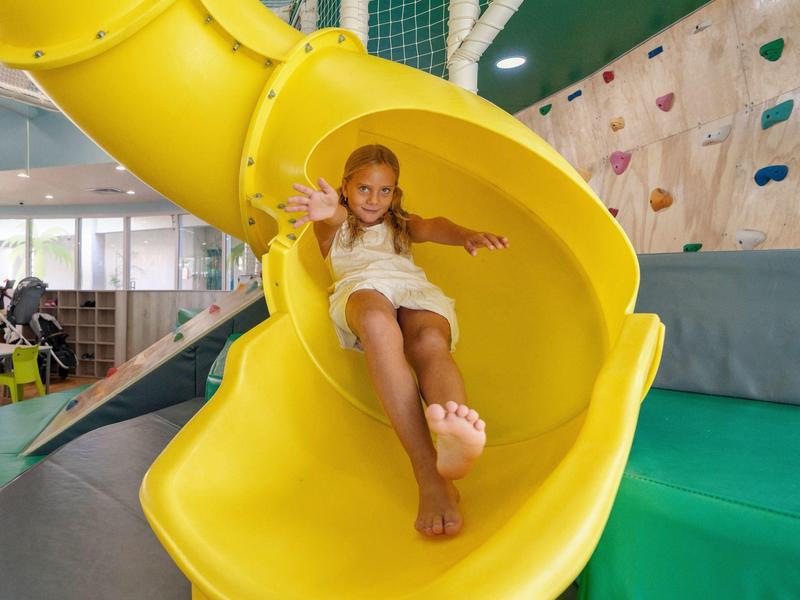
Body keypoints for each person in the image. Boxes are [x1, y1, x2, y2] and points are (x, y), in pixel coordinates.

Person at [286, 144, 509, 537]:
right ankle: (428, 473)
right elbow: (335, 215)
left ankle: (452, 436)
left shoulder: (401, 224)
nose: (374, 199)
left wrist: (466, 236)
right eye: (364, 189)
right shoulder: (334, 222)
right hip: (362, 286)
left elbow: (434, 225)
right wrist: (328, 209)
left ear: (395, 193)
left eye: (385, 190)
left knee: (428, 343)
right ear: (345, 187)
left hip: (411, 289)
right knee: (376, 322)